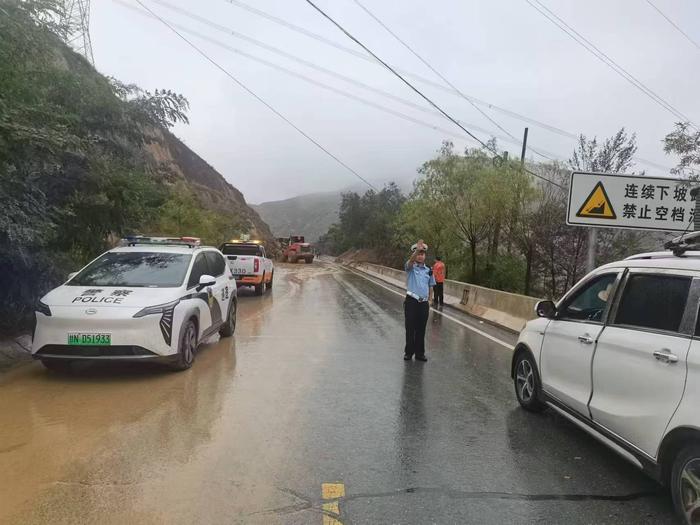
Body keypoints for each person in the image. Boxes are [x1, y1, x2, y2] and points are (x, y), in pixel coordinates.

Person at [404, 240, 435, 362]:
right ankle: (408, 352)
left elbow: (431, 286)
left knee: (421, 329)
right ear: (415, 254)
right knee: (410, 328)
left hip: (423, 303)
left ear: (425, 256)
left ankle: (420, 353)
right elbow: (410, 262)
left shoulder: (428, 270)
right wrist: (417, 249)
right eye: (418, 253)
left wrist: (430, 300)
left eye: (422, 254)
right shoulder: (410, 267)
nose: (420, 256)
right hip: (411, 301)